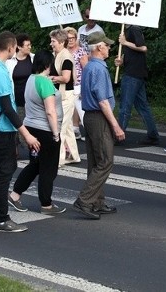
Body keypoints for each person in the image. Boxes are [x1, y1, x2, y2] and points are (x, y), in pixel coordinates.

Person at [0, 31, 41, 233]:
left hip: (0, 125)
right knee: (5, 171)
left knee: (6, 168)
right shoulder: (0, 72)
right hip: (3, 127)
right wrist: (26, 134)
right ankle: (3, 219)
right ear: (12, 47)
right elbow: (7, 107)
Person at [73, 31, 125, 219]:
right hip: (99, 117)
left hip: (90, 116)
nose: (110, 48)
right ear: (99, 47)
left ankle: (97, 201)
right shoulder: (99, 69)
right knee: (105, 161)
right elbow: (103, 101)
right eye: (108, 45)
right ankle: (85, 200)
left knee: (95, 161)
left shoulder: (89, 66)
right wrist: (116, 126)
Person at [9, 50, 65, 214]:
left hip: (31, 127)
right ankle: (46, 204)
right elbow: (50, 111)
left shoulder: (31, 79)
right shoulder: (45, 82)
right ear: (48, 64)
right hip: (46, 130)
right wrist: (55, 134)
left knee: (35, 165)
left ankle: (14, 195)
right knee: (49, 168)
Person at [115, 24, 160, 145]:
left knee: (125, 106)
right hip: (136, 72)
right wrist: (122, 60)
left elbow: (143, 48)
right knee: (142, 106)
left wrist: (125, 42)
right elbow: (133, 52)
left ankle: (119, 135)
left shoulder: (134, 29)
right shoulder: (127, 29)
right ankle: (153, 135)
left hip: (133, 74)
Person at [49, 29, 80, 166]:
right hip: (61, 95)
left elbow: (66, 78)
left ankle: (59, 158)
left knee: (60, 127)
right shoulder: (57, 54)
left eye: (53, 41)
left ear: (61, 42)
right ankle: (74, 155)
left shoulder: (66, 57)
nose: (51, 43)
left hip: (66, 96)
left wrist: (51, 78)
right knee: (67, 128)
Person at [64, 26, 89, 141]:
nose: (70, 40)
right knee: (67, 112)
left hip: (78, 85)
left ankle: (90, 134)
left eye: (72, 38)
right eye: (68, 38)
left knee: (82, 112)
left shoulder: (81, 51)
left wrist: (85, 87)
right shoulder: (63, 52)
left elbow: (86, 70)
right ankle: (71, 133)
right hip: (66, 86)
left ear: (76, 38)